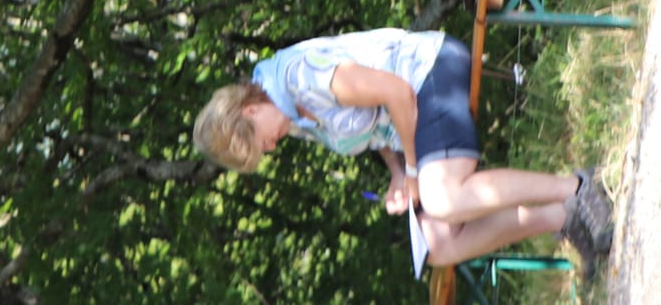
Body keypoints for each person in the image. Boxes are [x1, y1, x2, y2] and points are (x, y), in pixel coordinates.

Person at [192, 28, 615, 270]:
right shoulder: (292, 119)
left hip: (430, 71)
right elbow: (373, 129)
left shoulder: (301, 79)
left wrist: (414, 174)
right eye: (262, 153)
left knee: (443, 198)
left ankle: (577, 187)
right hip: (417, 112)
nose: (269, 149)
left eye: (258, 142)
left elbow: (396, 93)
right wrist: (398, 173)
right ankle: (564, 216)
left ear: (250, 108)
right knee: (438, 245)